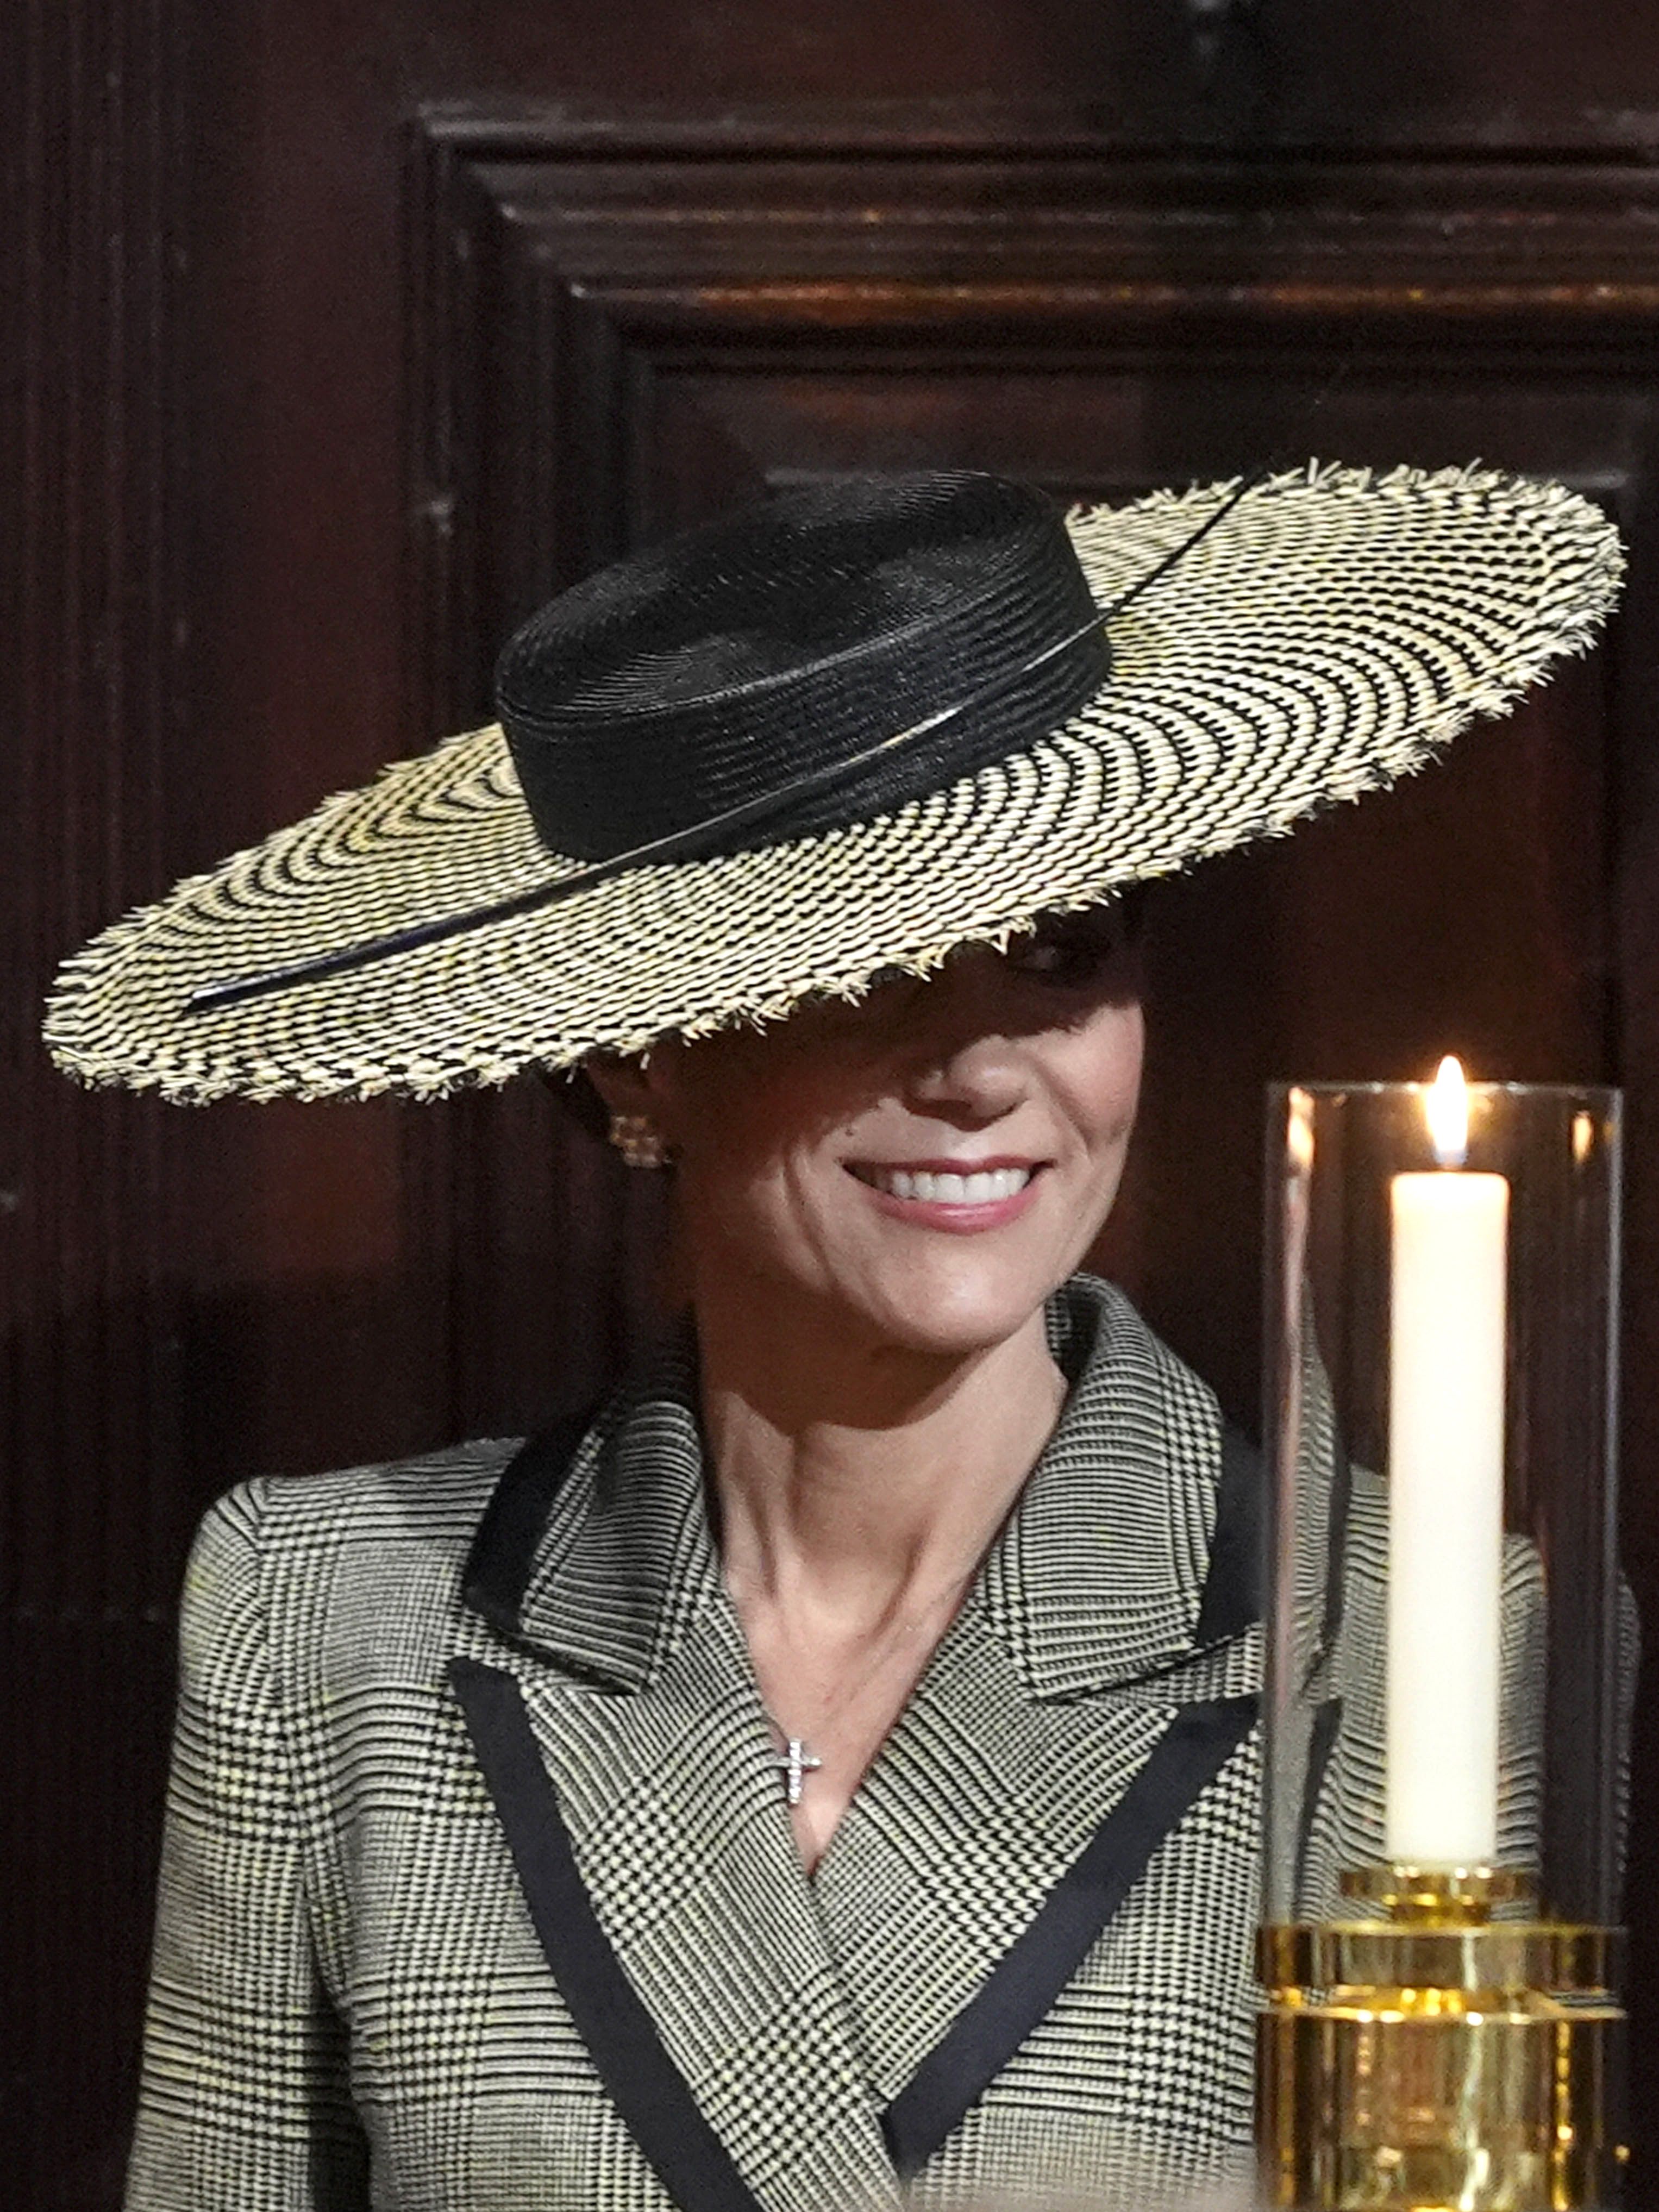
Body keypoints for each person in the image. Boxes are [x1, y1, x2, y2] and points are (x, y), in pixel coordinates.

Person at [45, 467, 1621, 2211]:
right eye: (865, 970)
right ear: (637, 1050)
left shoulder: (1423, 1643)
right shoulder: (329, 1618)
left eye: (1056, 947)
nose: (975, 1071)